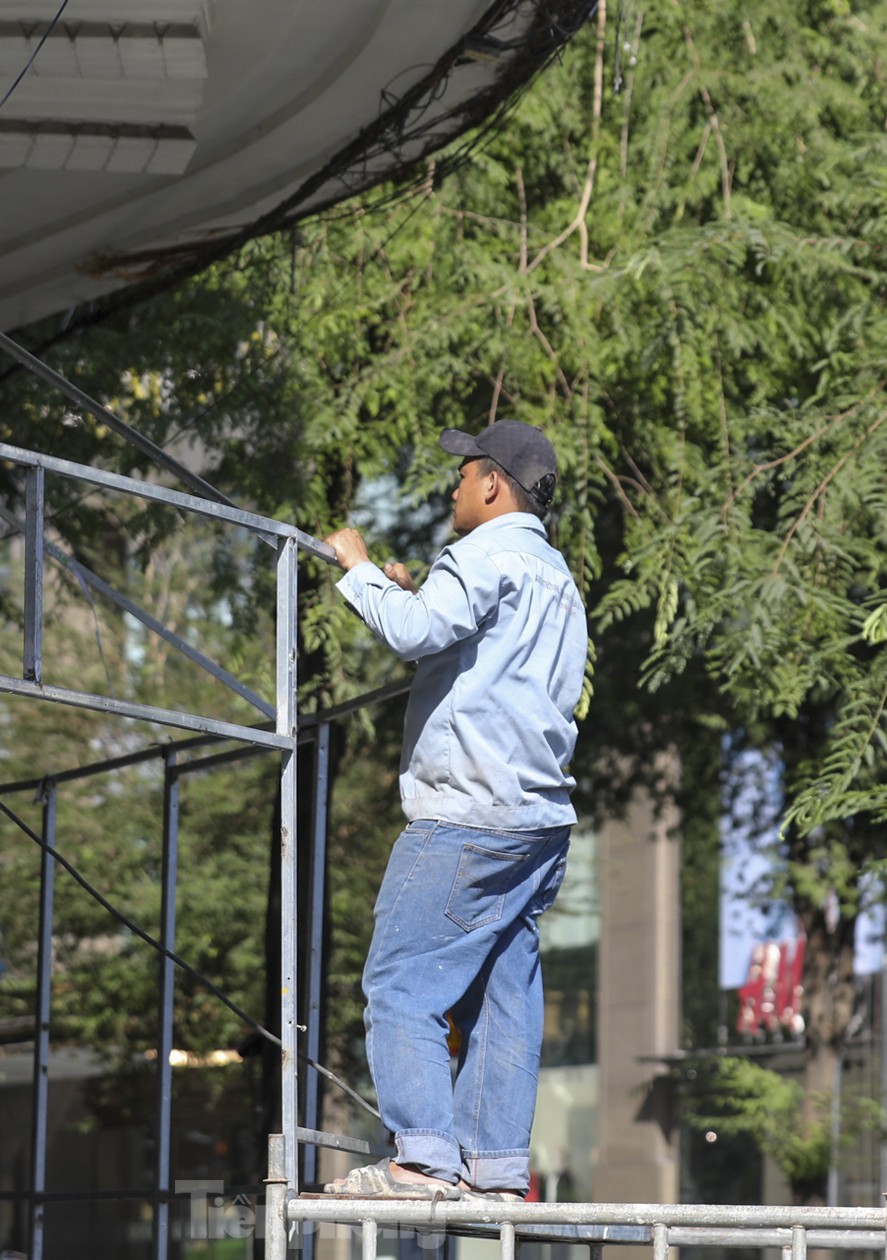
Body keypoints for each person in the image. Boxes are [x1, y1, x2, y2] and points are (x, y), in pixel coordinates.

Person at [321, 420, 587, 1202]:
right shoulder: (558, 579)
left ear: (494, 483)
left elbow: (411, 634)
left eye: (463, 473)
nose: (452, 487)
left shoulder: (481, 554)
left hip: (466, 813)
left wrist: (360, 569)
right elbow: (478, 652)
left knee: (401, 980)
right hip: (539, 822)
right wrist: (417, 593)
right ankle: (496, 1168)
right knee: (507, 991)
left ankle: (423, 1159)